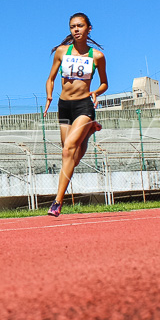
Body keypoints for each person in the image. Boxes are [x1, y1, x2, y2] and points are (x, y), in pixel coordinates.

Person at [43, 12, 108, 217]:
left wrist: (96, 92)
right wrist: (49, 97)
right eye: (72, 27)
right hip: (64, 106)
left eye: (80, 26)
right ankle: (88, 133)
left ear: (89, 29)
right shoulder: (62, 52)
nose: (76, 29)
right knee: (70, 155)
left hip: (83, 107)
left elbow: (105, 83)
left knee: (69, 149)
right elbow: (51, 78)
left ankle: (57, 202)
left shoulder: (96, 56)